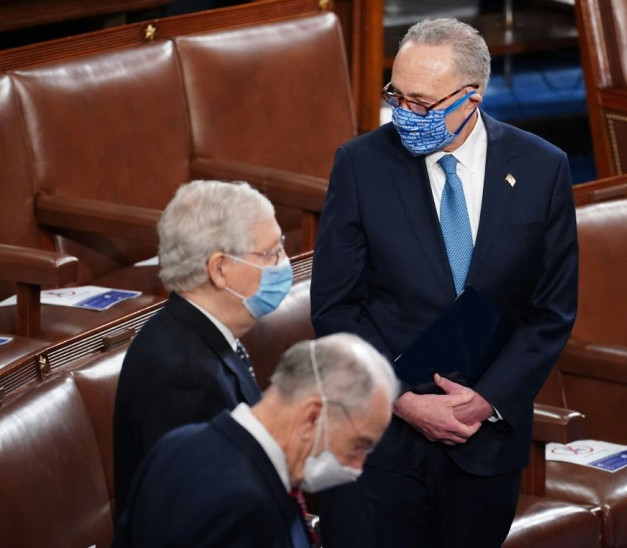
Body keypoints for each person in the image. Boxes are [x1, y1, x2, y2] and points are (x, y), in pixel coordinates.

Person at [310, 17, 578, 548]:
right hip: (378, 449)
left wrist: (486, 400)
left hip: (485, 449)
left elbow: (551, 311)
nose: (404, 114)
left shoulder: (542, 168)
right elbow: (336, 309)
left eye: (423, 104)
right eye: (397, 96)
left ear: (472, 97)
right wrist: (405, 400)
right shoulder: (361, 165)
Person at [113, 334, 398, 548]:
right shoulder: (244, 507)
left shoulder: (177, 443)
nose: (358, 466)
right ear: (313, 415)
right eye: (360, 444)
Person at [113, 179, 293, 517]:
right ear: (220, 269)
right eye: (271, 253)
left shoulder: (199, 332)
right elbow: (202, 518)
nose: (284, 262)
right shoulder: (181, 375)